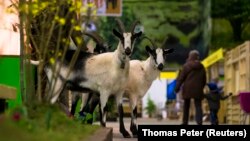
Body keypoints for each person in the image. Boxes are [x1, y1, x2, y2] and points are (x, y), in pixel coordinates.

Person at [175, 50, 207, 125]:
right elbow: (204, 79)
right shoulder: (201, 67)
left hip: (187, 89)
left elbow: (181, 78)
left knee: (186, 105)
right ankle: (199, 122)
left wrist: (177, 88)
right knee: (198, 105)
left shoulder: (186, 66)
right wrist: (201, 87)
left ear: (190, 56)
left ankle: (185, 122)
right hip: (198, 89)